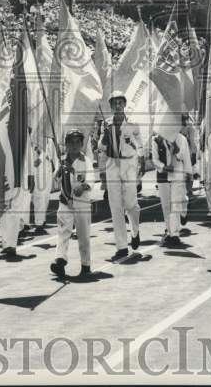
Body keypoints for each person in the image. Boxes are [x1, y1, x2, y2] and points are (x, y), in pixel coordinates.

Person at [97, 90, 142, 258]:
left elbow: (140, 145)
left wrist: (140, 160)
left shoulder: (133, 123)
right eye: (114, 102)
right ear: (110, 106)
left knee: (131, 205)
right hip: (112, 165)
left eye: (120, 102)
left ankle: (135, 231)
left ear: (124, 104)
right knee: (116, 206)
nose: (117, 105)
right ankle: (121, 246)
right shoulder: (106, 124)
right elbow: (101, 147)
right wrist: (104, 138)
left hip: (129, 164)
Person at [50, 130, 92, 279]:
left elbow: (91, 180)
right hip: (65, 202)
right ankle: (60, 261)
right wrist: (59, 170)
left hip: (81, 203)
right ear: (66, 145)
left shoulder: (85, 161)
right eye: (71, 142)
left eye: (77, 142)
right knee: (63, 232)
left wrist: (82, 186)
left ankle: (86, 265)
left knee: (83, 236)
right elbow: (55, 179)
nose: (74, 145)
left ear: (81, 144)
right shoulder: (62, 160)